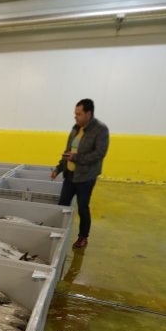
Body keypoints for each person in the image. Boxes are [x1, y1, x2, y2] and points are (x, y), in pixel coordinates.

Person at [51, 99, 109, 249]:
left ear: (88, 113)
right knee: (62, 205)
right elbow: (67, 151)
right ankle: (58, 232)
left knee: (83, 208)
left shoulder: (101, 130)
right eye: (75, 113)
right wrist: (59, 168)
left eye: (79, 114)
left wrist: (76, 158)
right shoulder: (76, 128)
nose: (75, 117)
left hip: (85, 177)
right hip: (70, 175)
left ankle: (83, 237)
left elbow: (99, 154)